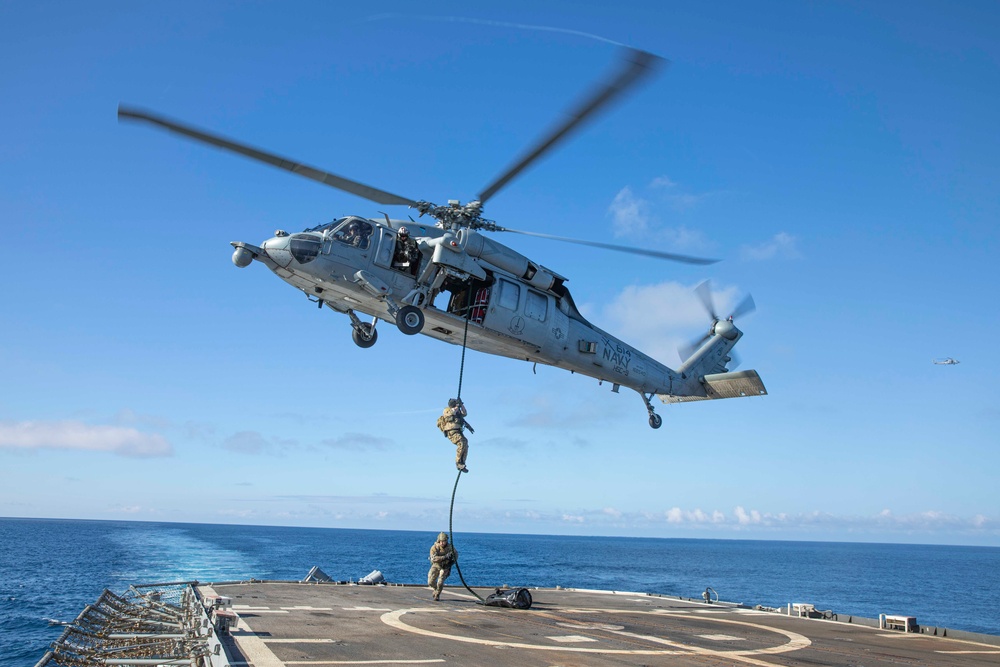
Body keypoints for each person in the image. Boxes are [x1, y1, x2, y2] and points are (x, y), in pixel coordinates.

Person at [440, 398, 469, 472]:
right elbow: (450, 413)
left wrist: (461, 405)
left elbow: (465, 413)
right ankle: (458, 463)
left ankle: (462, 462)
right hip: (451, 432)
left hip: (458, 431)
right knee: (461, 443)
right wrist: (457, 406)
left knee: (465, 443)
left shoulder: (457, 411)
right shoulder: (447, 410)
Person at [427, 532, 457, 601]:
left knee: (440, 582)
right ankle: (436, 589)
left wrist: (451, 562)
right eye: (441, 541)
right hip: (436, 565)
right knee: (430, 582)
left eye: (444, 541)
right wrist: (444, 557)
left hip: (445, 567)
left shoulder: (450, 548)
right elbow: (433, 559)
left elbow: (456, 555)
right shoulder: (434, 548)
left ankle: (437, 594)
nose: (442, 543)